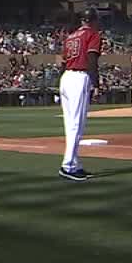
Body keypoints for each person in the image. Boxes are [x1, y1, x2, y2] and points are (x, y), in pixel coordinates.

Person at [58, 9, 101, 182]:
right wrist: (96, 84)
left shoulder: (71, 36)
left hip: (66, 77)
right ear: (94, 20)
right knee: (76, 124)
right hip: (79, 77)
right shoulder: (93, 34)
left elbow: (63, 62)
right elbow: (92, 60)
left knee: (70, 124)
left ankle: (74, 164)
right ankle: (68, 165)